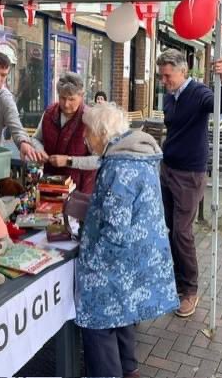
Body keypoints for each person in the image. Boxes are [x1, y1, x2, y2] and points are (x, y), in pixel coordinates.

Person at [76, 102, 178, 378]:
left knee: (99, 322)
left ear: (101, 132)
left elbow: (115, 233)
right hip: (138, 257)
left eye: (87, 131)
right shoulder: (136, 155)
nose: (85, 137)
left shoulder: (118, 166)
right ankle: (129, 368)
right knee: (122, 313)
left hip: (121, 260)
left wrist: (90, 263)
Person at [157, 49, 222, 317]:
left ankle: (190, 290)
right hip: (168, 170)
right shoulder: (169, 97)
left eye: (168, 76)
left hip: (190, 175)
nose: (164, 81)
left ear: (182, 71)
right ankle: (177, 282)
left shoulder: (198, 93)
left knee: (182, 233)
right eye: (161, 76)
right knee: (169, 228)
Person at [30, 72, 98, 193]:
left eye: (71, 99)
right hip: (50, 185)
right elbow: (35, 139)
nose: (66, 104)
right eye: (62, 98)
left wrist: (69, 161)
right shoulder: (49, 113)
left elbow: (98, 160)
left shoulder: (90, 118)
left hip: (80, 190)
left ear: (81, 96)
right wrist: (40, 150)